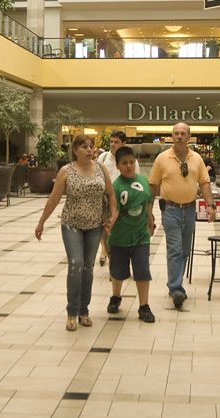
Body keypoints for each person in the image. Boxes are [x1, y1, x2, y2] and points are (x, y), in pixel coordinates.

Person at [34, 134, 116, 331]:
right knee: (76, 264)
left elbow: (111, 194)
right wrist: (41, 222)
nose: (89, 150)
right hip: (72, 224)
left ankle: (83, 311)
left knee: (88, 267)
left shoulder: (101, 169)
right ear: (75, 150)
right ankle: (72, 311)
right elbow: (54, 199)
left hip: (95, 225)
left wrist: (112, 216)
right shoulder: (66, 171)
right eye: (84, 147)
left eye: (91, 147)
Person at [149, 122, 216, 309]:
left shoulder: (197, 159)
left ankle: (175, 283)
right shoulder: (162, 158)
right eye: (176, 133)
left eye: (182, 133)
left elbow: (204, 183)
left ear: (189, 137)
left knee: (185, 249)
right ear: (172, 136)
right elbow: (152, 185)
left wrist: (210, 205)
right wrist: (149, 212)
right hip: (170, 210)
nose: (179, 136)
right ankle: (176, 288)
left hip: (190, 209)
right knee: (175, 249)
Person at [105, 146, 155, 323]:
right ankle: (116, 296)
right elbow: (115, 210)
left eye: (131, 162)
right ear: (117, 166)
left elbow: (148, 202)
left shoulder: (143, 180)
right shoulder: (115, 187)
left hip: (141, 236)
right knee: (117, 271)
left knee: (142, 270)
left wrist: (150, 221)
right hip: (120, 237)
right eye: (124, 163)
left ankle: (144, 306)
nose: (129, 166)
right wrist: (108, 226)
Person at [96, 131, 141, 266]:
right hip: (106, 202)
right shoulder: (103, 158)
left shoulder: (130, 160)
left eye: (116, 142)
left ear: (123, 144)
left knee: (122, 232)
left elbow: (136, 180)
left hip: (124, 202)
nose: (113, 145)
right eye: (111, 141)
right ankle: (112, 261)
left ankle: (121, 260)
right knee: (106, 232)